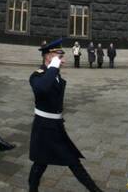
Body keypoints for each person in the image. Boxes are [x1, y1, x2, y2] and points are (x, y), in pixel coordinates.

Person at [28, 39, 103, 192]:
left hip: (55, 127)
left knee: (68, 162)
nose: (62, 59)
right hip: (43, 128)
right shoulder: (37, 76)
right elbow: (42, 89)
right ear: (48, 57)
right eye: (59, 56)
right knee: (42, 163)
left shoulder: (55, 75)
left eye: (61, 56)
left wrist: (54, 68)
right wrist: (53, 67)